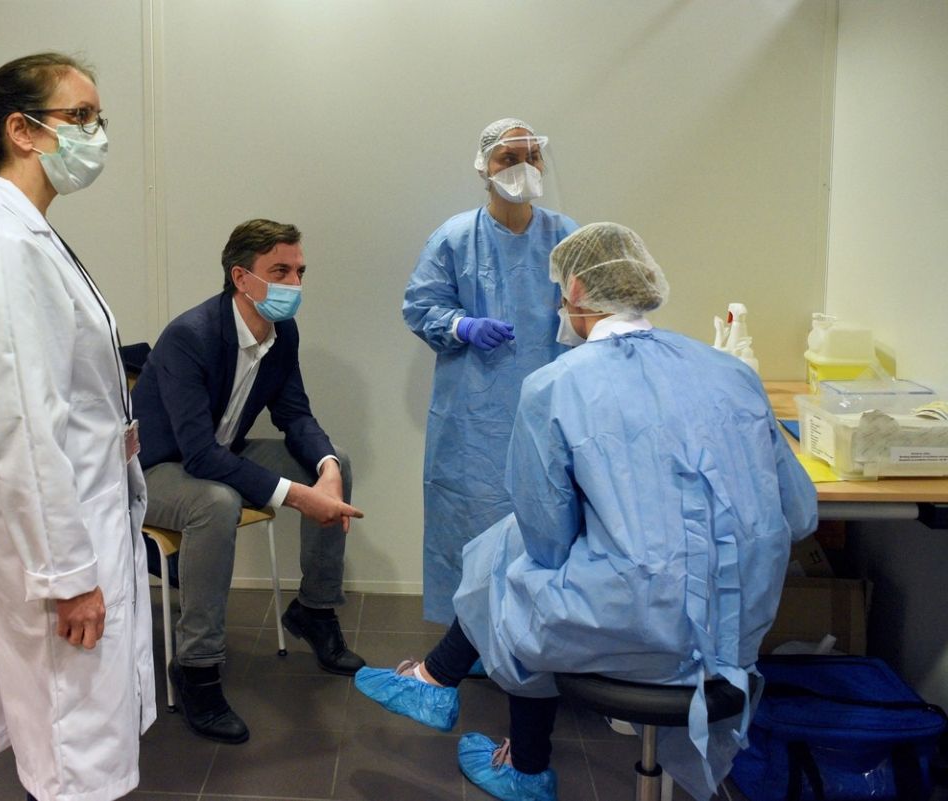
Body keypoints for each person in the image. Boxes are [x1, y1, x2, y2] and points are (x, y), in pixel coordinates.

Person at [360, 222, 818, 801]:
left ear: (575, 290)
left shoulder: (557, 384)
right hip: (737, 632)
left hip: (642, 631)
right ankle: (442, 687)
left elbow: (547, 541)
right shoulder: (733, 373)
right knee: (513, 557)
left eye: (558, 292)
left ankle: (507, 750)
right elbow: (800, 514)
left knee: (507, 560)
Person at [0, 53, 154, 801]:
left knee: (78, 738)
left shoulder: (25, 234)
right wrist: (69, 576)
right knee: (72, 751)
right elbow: (24, 424)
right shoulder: (2, 243)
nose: (96, 134)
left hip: (83, 513)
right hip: (64, 541)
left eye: (98, 118)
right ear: (21, 130)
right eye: (80, 117)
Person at [130, 218, 365, 744]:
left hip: (219, 454)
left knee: (338, 461)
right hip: (154, 469)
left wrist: (325, 469)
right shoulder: (191, 336)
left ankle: (315, 610)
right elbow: (198, 454)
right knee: (216, 502)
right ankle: (196, 667)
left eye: (300, 272)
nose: (294, 284)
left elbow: (294, 414)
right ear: (241, 277)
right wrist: (296, 497)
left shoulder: (282, 333)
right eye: (280, 271)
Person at [403, 117, 580, 624]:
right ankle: (469, 638)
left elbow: (594, 311)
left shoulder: (566, 237)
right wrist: (462, 326)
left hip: (549, 408)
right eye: (509, 157)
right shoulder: (456, 237)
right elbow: (421, 307)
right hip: (473, 419)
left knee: (545, 521)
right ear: (484, 167)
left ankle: (536, 633)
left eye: (532, 155)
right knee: (471, 522)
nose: (524, 165)